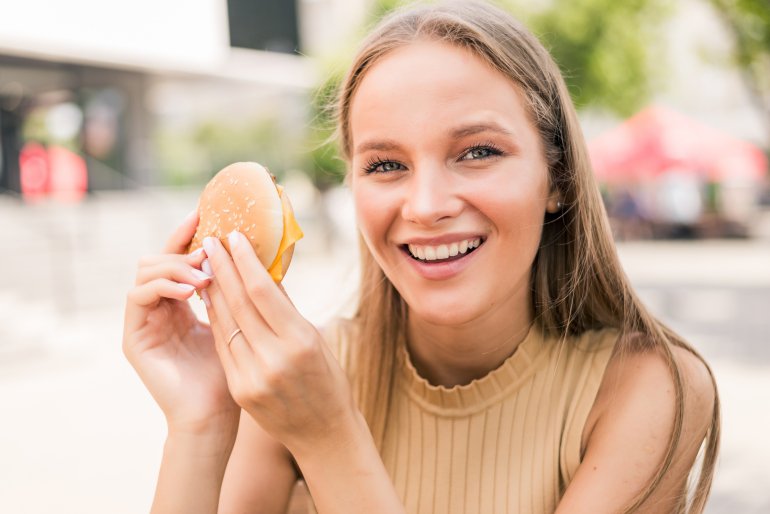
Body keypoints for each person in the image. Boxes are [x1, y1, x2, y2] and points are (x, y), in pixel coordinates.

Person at [122, 1, 719, 513]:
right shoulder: (294, 376)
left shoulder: (648, 388)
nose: (427, 205)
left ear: (557, 177)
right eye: (385, 165)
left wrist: (330, 437)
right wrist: (200, 423)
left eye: (478, 151)